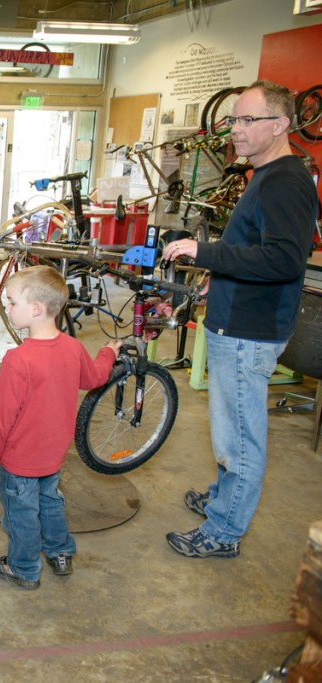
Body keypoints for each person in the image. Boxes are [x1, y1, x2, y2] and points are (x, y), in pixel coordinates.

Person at [161, 80, 317, 559]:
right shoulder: (265, 175)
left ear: (281, 124)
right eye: (234, 120)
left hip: (250, 334)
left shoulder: (286, 182)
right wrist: (218, 279)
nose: (236, 130)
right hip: (237, 320)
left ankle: (224, 531)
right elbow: (254, 253)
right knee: (229, 430)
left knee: (241, 438)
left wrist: (204, 251)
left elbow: (285, 261)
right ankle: (225, 498)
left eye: (249, 120)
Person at [0, 266, 121, 590]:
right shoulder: (71, 347)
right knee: (50, 501)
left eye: (12, 302)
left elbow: (1, 418)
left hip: (20, 462)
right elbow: (94, 378)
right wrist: (107, 353)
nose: (7, 308)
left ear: (36, 309)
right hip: (53, 455)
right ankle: (60, 553)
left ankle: (24, 568)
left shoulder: (19, 360)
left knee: (21, 514)